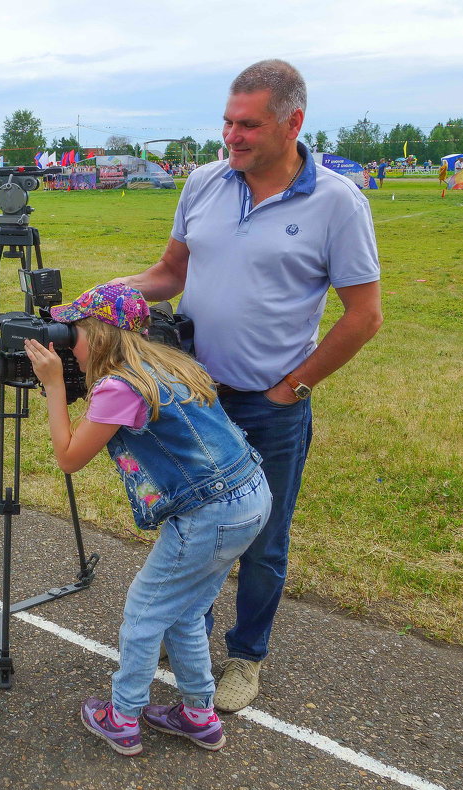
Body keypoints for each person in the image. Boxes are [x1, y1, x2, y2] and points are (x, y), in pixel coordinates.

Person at [115, 59, 382, 714]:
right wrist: (113, 293)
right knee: (192, 525)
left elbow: (365, 315)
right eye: (228, 122)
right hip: (196, 399)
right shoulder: (204, 182)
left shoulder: (337, 203)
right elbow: (170, 272)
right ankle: (190, 635)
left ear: (293, 123)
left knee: (264, 537)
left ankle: (246, 656)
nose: (232, 136)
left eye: (248, 125)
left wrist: (293, 386)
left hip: (271, 407)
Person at [24, 284, 271, 757]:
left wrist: (54, 385)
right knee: (186, 610)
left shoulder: (120, 386)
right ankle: (199, 715)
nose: (65, 343)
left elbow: (69, 457)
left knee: (144, 612)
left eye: (71, 332)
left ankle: (122, 716)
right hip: (252, 499)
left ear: (96, 335)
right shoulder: (172, 363)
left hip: (207, 514)